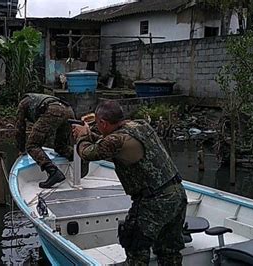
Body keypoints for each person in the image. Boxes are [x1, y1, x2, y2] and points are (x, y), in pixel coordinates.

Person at [72, 100, 187, 265]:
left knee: (135, 245)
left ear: (103, 123)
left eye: (98, 124)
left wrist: (82, 136)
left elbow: (88, 153)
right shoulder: (139, 126)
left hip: (155, 201)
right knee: (169, 250)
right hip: (177, 194)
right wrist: (91, 133)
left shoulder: (116, 140)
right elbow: (111, 145)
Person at [16, 93, 75, 188]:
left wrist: (21, 149)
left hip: (53, 111)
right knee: (61, 147)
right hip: (68, 110)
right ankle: (80, 159)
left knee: (32, 145)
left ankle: (53, 172)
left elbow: (20, 128)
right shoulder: (37, 99)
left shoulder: (23, 104)